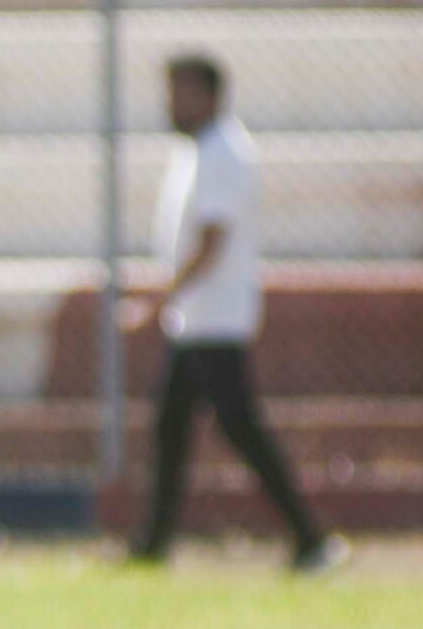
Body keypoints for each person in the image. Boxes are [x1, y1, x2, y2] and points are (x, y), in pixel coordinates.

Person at [123, 52, 346, 575]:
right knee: (170, 429)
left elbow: (212, 242)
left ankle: (311, 539)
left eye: (181, 92)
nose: (172, 104)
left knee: (240, 429)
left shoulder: (223, 152)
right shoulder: (199, 151)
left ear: (208, 95)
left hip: (215, 320)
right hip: (195, 321)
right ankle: (152, 545)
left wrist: (160, 298)